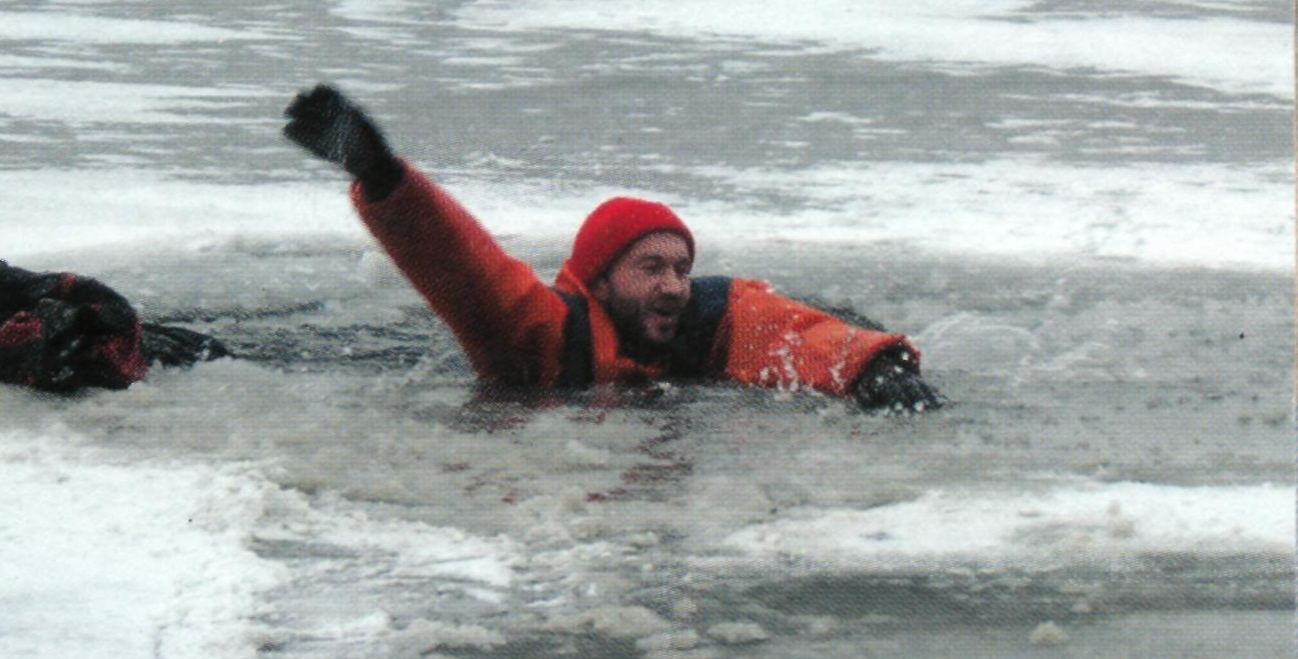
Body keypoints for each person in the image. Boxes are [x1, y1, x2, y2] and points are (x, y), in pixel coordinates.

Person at [283, 84, 941, 412]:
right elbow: (466, 267)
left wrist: (875, 370)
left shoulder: (709, 319)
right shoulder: (545, 333)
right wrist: (385, 177)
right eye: (650, 267)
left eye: (682, 268)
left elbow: (801, 336)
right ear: (597, 281)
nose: (674, 285)